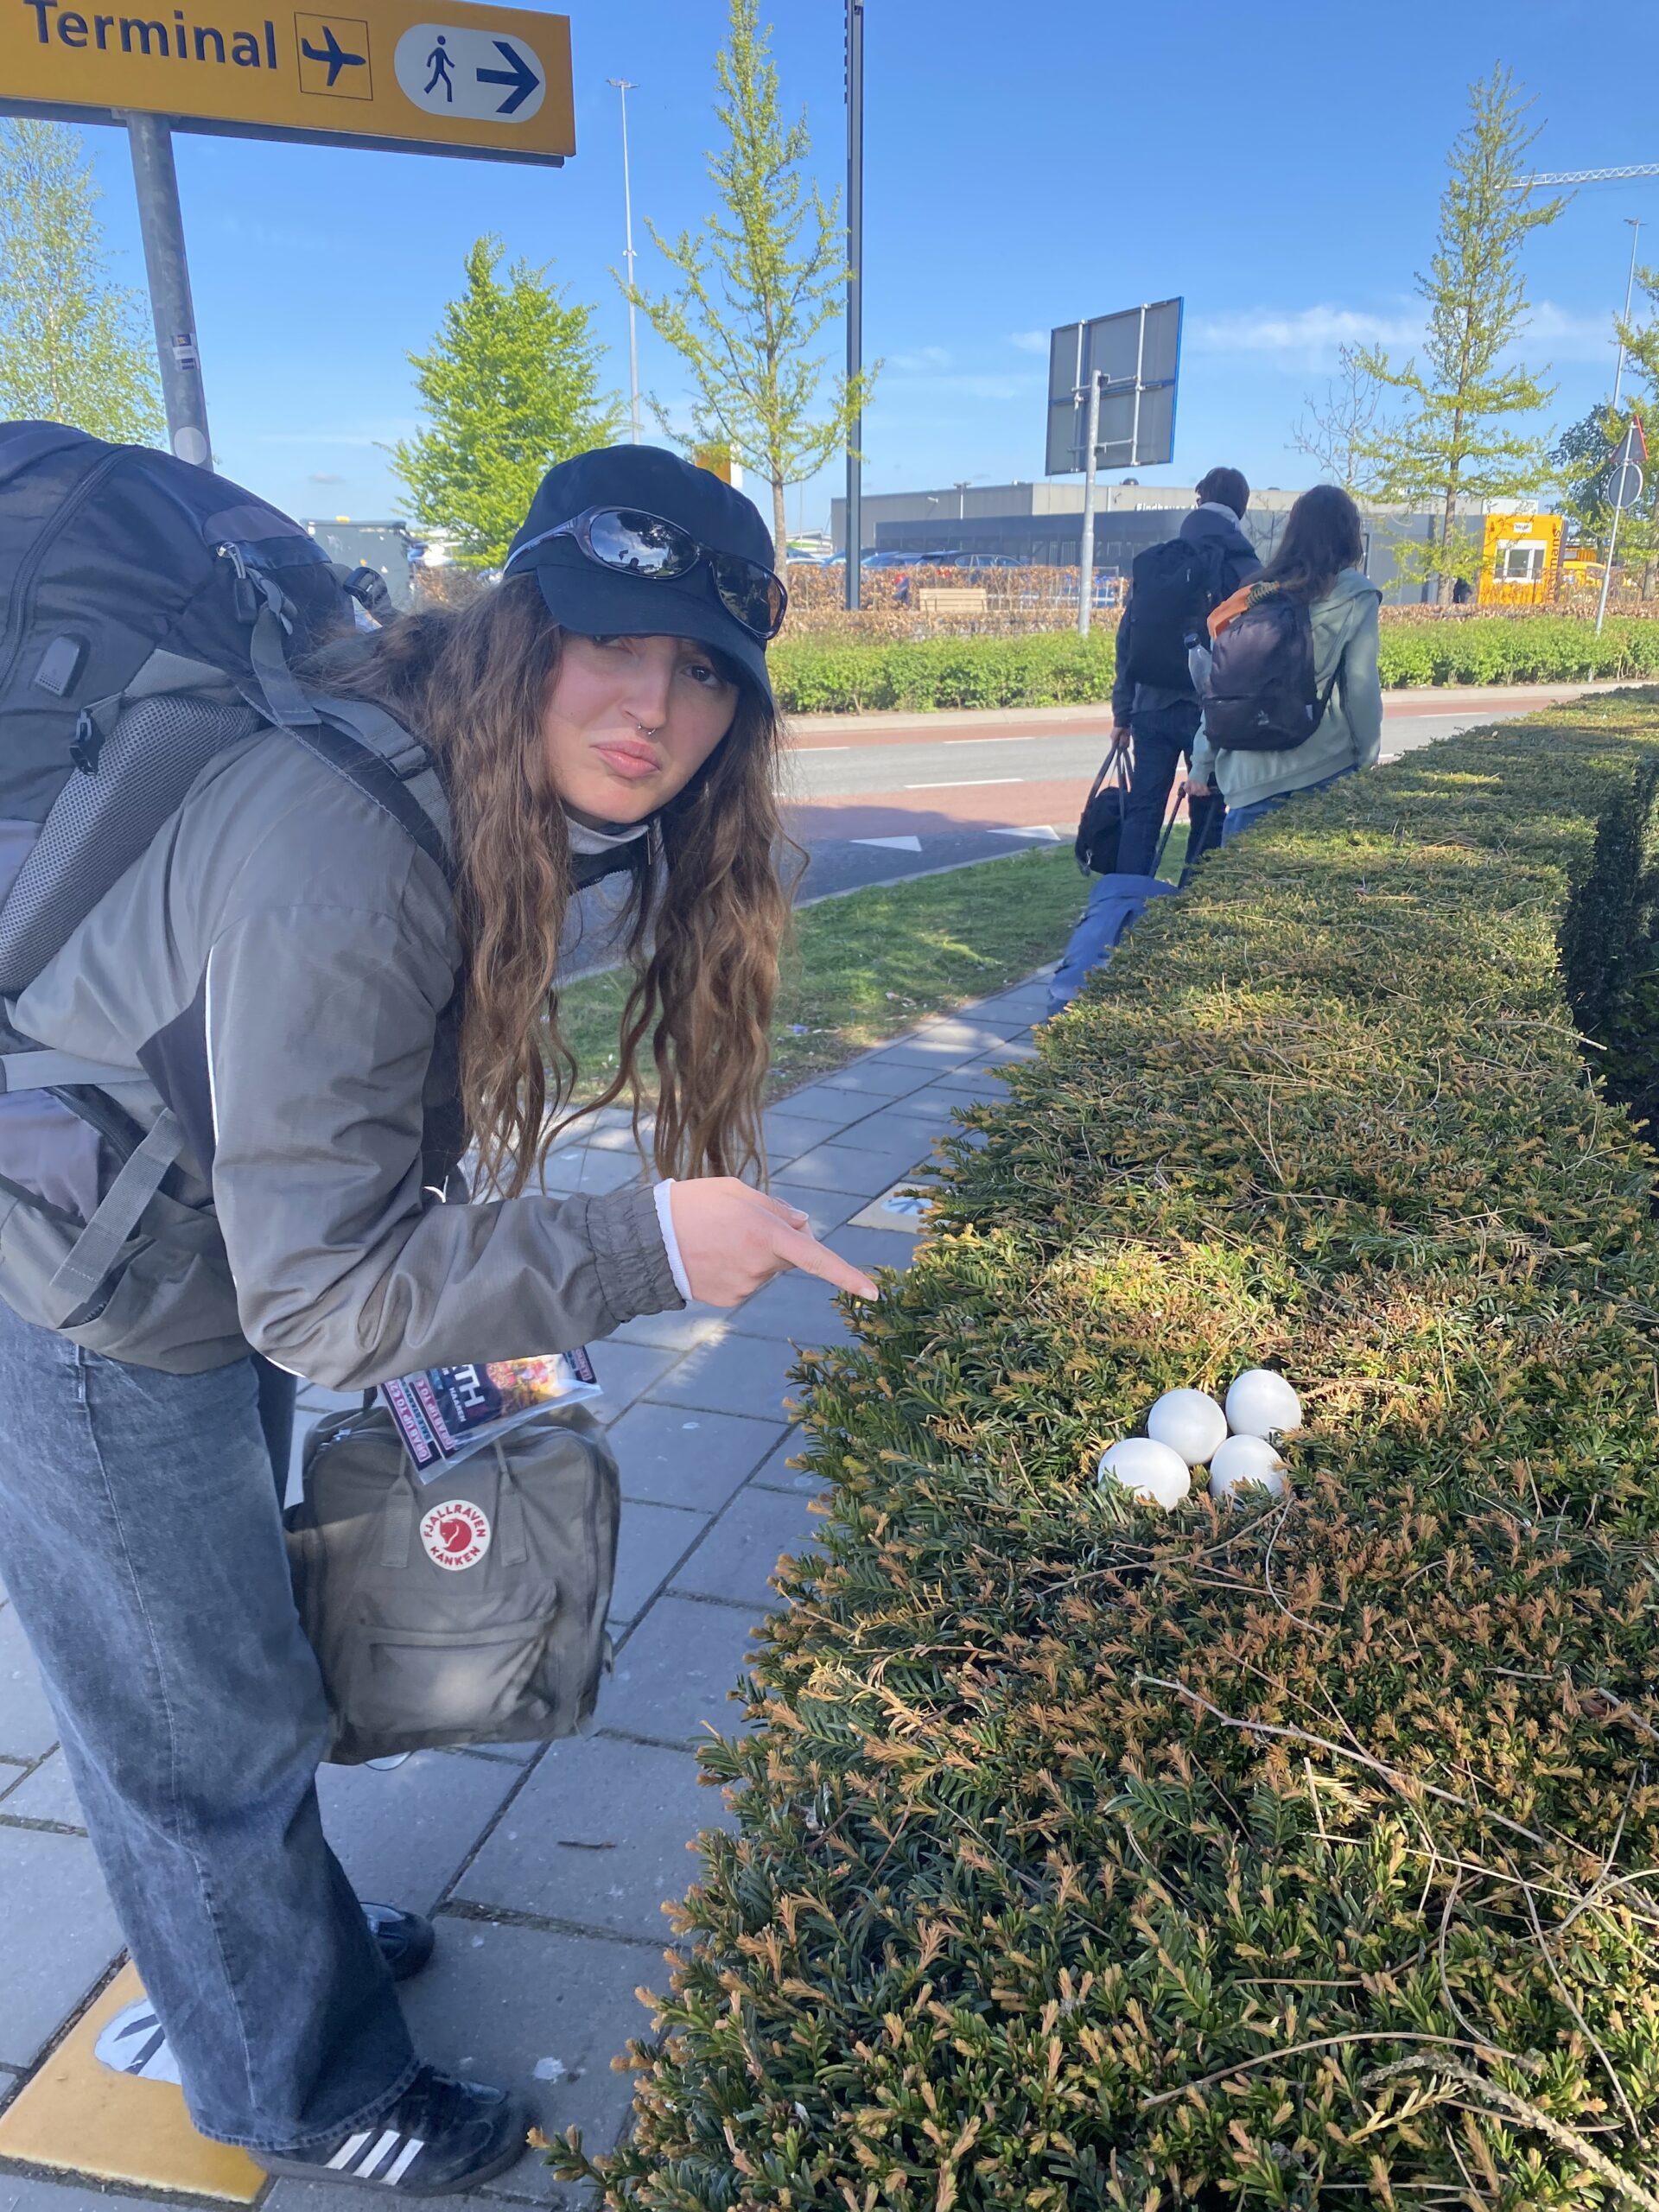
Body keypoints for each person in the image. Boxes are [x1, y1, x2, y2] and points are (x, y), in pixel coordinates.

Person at [0, 445, 877, 2191]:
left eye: (705, 668)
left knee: (222, 1660)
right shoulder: (348, 838)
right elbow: (325, 1292)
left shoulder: (461, 775)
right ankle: (296, 2077)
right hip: (75, 1284)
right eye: (609, 640)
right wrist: (642, 1243)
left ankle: (255, 1945)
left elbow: (314, 1212)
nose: (651, 706)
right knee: (199, 1714)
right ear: (518, 624)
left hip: (185, 1229)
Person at [1190, 482, 1383, 843]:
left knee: (1242, 895)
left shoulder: (1252, 595)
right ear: (1349, 535)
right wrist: (1368, 756)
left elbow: (1221, 688)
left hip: (1248, 784)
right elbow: (1361, 686)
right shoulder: (1356, 594)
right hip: (1325, 770)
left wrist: (1201, 764)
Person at [1107, 466, 1260, 876]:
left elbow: (1128, 639)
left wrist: (1123, 713)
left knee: (1142, 813)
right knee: (1208, 813)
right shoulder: (1246, 569)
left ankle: (1125, 910)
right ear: (1240, 510)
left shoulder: (1163, 559)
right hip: (1209, 714)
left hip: (1150, 706)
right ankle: (1188, 918)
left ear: (1198, 501)